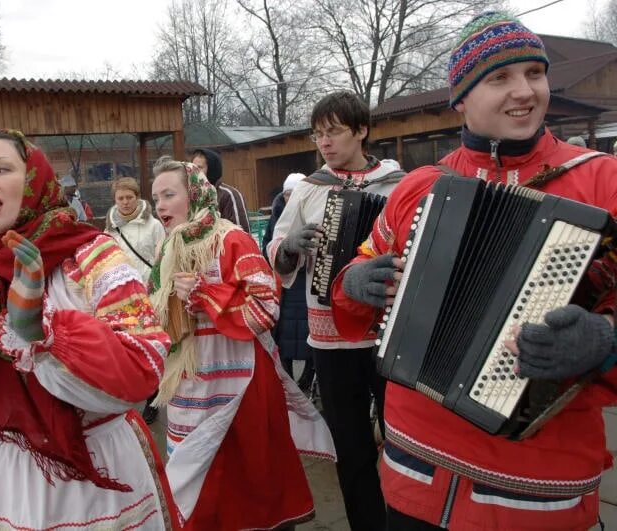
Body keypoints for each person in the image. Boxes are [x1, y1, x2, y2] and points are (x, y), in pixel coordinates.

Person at [331, 12, 617, 530]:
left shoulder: (603, 181)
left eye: (535, 72)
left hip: (535, 492)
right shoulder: (419, 185)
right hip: (412, 473)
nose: (525, 91)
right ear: (461, 96)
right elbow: (356, 277)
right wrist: (354, 282)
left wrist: (606, 341)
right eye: (500, 78)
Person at [0, 130, 178, 530]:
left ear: (36, 178)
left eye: (1, 169)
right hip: (9, 478)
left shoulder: (91, 254)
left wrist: (39, 333)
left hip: (98, 475)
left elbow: (144, 366)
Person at [149, 157, 335, 530]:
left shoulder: (232, 239)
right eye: (155, 199)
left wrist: (204, 294)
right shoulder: (165, 251)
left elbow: (266, 309)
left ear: (197, 194)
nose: (160, 206)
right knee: (196, 482)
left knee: (252, 478)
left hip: (242, 386)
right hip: (190, 385)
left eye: (169, 195)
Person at [267, 90, 404, 531]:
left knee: (403, 444)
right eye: (318, 134)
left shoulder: (397, 184)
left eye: (334, 132)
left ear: (361, 131)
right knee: (350, 446)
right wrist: (288, 248)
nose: (324, 143)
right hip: (330, 337)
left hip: (389, 331)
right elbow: (275, 250)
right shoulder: (309, 188)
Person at [104, 176, 167, 424]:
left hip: (148, 294)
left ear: (138, 196)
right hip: (122, 298)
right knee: (127, 348)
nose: (126, 202)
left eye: (130, 197)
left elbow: (161, 258)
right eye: (121, 198)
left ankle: (152, 399)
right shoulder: (110, 229)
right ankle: (130, 398)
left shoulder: (154, 226)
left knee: (149, 345)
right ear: (115, 200)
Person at [262, 172, 314, 391]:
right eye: (286, 194)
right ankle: (287, 379)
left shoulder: (309, 213)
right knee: (283, 334)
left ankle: (308, 378)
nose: (289, 199)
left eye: (294, 194)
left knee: (306, 333)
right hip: (283, 287)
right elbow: (267, 247)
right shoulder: (276, 216)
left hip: (306, 283)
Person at [191, 148, 251, 232]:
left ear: (212, 170)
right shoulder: (192, 196)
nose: (195, 171)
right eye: (193, 167)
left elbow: (242, 232)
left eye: (200, 167)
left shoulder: (229, 195)